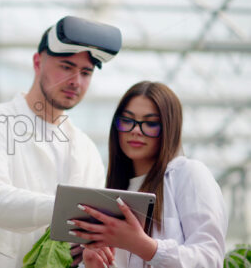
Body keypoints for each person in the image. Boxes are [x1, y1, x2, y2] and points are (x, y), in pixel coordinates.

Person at [0, 16, 122, 268]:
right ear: (37, 62)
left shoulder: (87, 150)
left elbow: (85, 236)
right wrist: (70, 207)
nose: (75, 81)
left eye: (86, 72)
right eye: (66, 67)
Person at [70, 81, 228, 268]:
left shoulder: (188, 174)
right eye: (127, 121)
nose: (136, 130)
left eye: (150, 123)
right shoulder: (115, 192)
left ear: (169, 129)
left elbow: (210, 259)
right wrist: (93, 264)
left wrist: (142, 245)